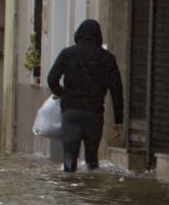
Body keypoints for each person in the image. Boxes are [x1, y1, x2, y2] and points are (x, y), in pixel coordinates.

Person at [46, 18, 124, 172]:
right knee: (92, 159)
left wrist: (63, 94)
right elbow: (117, 90)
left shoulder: (67, 54)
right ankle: (90, 188)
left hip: (71, 111)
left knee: (69, 157)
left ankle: (70, 188)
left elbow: (51, 79)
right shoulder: (107, 58)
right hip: (94, 113)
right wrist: (118, 120)